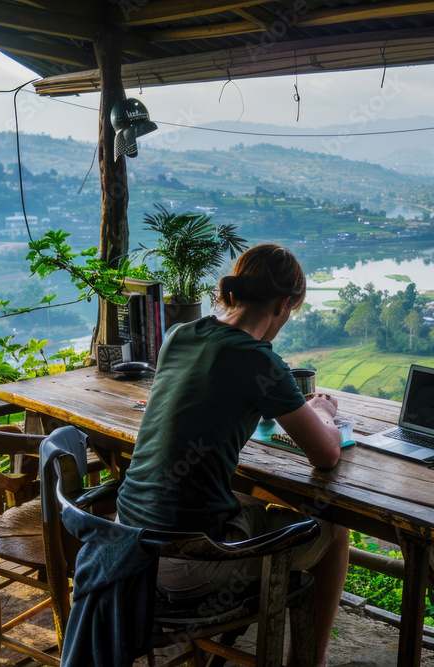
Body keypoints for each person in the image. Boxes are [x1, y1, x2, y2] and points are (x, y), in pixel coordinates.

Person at [117, 243, 348, 664]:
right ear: (284, 304)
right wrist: (321, 410)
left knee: (252, 497)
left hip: (127, 543)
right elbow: (326, 454)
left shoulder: (179, 335)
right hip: (184, 565)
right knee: (333, 533)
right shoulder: (259, 359)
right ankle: (307, 662)